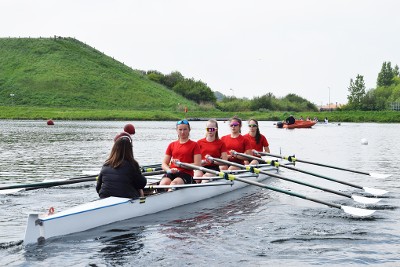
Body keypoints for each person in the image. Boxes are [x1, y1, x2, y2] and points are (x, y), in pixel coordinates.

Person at [96, 132, 147, 199]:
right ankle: (141, 206)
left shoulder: (106, 164)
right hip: (125, 198)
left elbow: (98, 187)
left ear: (114, 149)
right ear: (130, 150)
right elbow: (142, 184)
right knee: (140, 189)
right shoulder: (132, 165)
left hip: (104, 197)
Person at [160, 119, 201, 189]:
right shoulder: (171, 145)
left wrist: (181, 164)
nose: (182, 132)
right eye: (180, 129)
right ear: (177, 130)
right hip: (172, 172)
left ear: (189, 130)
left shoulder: (195, 145)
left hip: (186, 174)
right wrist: (169, 170)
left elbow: (197, 164)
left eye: (185, 129)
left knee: (174, 184)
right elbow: (164, 164)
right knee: (163, 183)